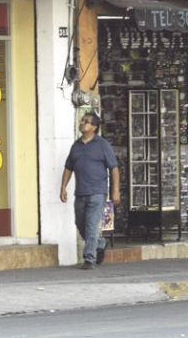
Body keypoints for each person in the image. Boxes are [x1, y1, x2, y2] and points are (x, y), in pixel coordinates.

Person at [60, 112, 121, 269]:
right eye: (82, 120)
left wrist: (115, 191)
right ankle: (100, 243)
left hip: (97, 192)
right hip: (80, 193)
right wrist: (63, 187)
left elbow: (114, 168)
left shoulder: (102, 145)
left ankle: (89, 258)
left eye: (86, 122)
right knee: (80, 224)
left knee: (91, 226)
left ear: (94, 127)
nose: (82, 123)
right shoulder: (76, 145)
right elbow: (68, 167)